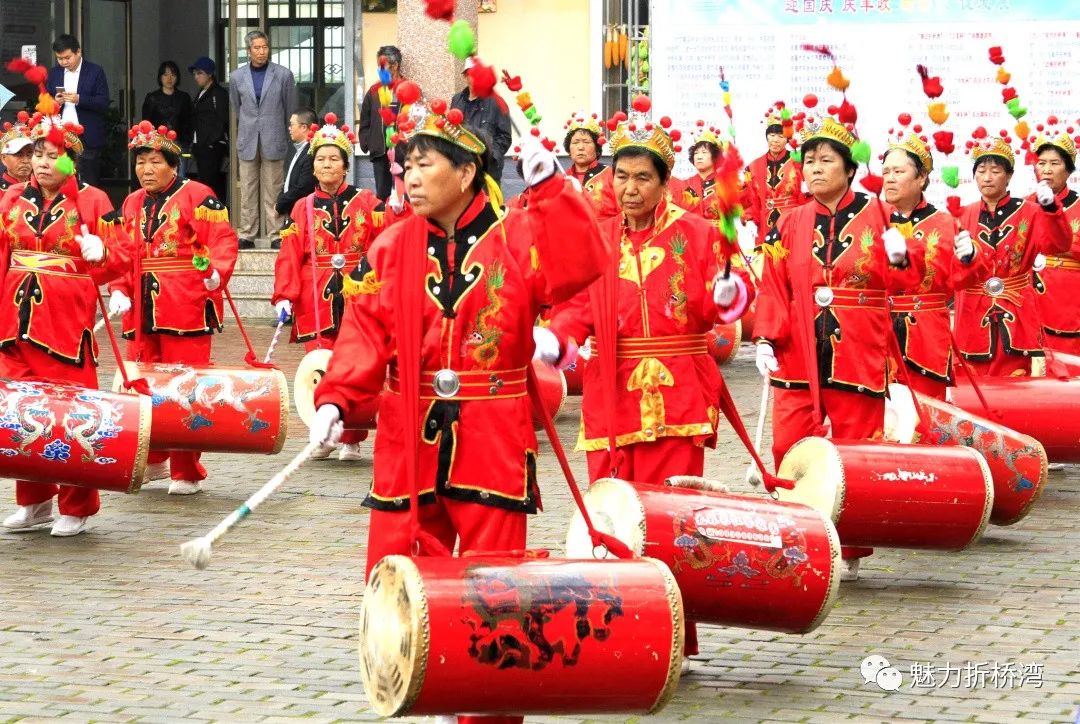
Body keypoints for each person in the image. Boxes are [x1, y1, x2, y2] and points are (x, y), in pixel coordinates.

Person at [308, 100, 607, 640]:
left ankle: (483, 703)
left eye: (426, 165)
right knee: (400, 568)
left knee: (496, 579)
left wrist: (555, 191)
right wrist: (336, 398)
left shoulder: (517, 236)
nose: (411, 178)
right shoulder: (392, 246)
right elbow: (364, 332)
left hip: (492, 427)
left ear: (467, 172)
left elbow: (583, 263)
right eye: (407, 165)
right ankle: (425, 677)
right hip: (407, 427)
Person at [545, 101, 751, 664]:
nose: (630, 188)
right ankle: (616, 635)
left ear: (666, 182)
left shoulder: (702, 233)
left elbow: (722, 303)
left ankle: (674, 640)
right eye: (622, 175)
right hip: (610, 394)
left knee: (671, 520)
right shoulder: (596, 237)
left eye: (643, 177)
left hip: (680, 390)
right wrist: (557, 339)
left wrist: (731, 299)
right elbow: (574, 308)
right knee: (610, 515)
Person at [753, 117, 920, 581]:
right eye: (809, 161)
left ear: (849, 169)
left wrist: (902, 254)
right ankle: (795, 534)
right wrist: (766, 337)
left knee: (853, 447)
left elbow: (905, 283)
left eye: (827, 161)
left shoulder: (880, 214)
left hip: (858, 345)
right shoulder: (788, 221)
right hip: (798, 345)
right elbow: (773, 284)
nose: (815, 169)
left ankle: (850, 547)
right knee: (789, 444)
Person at [0, 115, 133, 536]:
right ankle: (34, 500)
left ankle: (77, 504)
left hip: (65, 320)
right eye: (37, 155)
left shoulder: (92, 201)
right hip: (15, 317)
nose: (41, 163)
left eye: (52, 156)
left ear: (71, 162)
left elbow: (124, 252)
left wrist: (104, 257)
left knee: (72, 411)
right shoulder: (12, 200)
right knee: (23, 409)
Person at [107, 122, 239, 495]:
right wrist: (119, 287)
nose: (145, 170)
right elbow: (122, 254)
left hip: (186, 303)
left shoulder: (198, 195)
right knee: (144, 384)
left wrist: (215, 273)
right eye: (140, 163)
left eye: (154, 162)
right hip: (142, 307)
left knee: (184, 386)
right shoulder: (132, 203)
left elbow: (221, 242)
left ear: (173, 164)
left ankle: (186, 469)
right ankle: (153, 459)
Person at [272, 114, 386, 461]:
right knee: (320, 365)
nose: (326, 164)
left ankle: (352, 436)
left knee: (358, 364)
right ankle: (323, 432)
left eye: (333, 158)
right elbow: (290, 256)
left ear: (345, 165)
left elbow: (384, 245)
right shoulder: (302, 207)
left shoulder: (368, 201)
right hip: (315, 294)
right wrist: (284, 296)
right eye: (320, 158)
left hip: (358, 291)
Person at [954, 130, 1069, 376]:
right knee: (971, 386)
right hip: (972, 313)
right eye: (981, 171)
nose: (987, 177)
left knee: (1015, 384)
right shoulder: (962, 215)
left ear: (1009, 176)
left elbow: (1058, 245)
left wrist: (1051, 209)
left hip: (1016, 312)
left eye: (995, 171)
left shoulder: (1032, 212)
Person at [881, 133, 986, 400]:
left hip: (926, 337)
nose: (889, 178)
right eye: (886, 171)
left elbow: (967, 279)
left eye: (898, 171)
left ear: (922, 178)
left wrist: (971, 257)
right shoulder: (871, 220)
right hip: (876, 333)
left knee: (927, 415)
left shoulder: (945, 223)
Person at [229, 30, 297, 249]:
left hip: (274, 135)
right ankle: (247, 233)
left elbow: (291, 110)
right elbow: (237, 109)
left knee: (273, 187)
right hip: (248, 137)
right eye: (257, 48)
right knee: (247, 188)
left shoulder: (283, 75)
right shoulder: (236, 77)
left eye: (265, 47)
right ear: (248, 51)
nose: (261, 52)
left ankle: (275, 232)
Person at [1029, 128, 1080, 354]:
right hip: (1029, 298)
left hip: (1069, 301)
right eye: (1041, 163)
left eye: (1055, 163)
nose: (1046, 170)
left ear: (1068, 170)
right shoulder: (1023, 206)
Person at [46, 34, 110, 186]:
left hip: (87, 135)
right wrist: (55, 102)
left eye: (67, 57)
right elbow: (45, 102)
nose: (64, 62)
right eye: (60, 59)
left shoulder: (95, 71)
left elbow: (103, 102)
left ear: (78, 52)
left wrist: (79, 99)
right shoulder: (54, 73)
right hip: (61, 135)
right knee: (61, 181)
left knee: (90, 182)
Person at [742, 104, 808, 247]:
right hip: (764, 224)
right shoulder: (753, 166)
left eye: (781, 136)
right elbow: (750, 199)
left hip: (793, 220)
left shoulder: (799, 162)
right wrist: (749, 220)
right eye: (772, 135)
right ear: (766, 136)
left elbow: (807, 195)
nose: (775, 140)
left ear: (788, 139)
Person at [451, 58, 512, 183]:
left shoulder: (497, 102)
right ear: (465, 77)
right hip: (460, 169)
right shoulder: (456, 100)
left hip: (487, 172)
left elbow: (505, 137)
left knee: (487, 203)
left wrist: (490, 157)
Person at [358, 45, 404, 202]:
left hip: (403, 151)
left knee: (403, 193)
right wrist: (367, 143)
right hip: (380, 152)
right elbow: (365, 119)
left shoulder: (409, 88)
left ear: (395, 66)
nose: (380, 70)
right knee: (382, 195)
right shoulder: (374, 90)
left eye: (382, 66)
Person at [188, 57, 229, 205]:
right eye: (194, 74)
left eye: (199, 73)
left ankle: (215, 213)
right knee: (204, 182)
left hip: (211, 146)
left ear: (209, 74)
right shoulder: (201, 92)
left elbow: (222, 119)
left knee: (211, 183)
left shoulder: (218, 93)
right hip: (201, 144)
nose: (196, 77)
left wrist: (211, 142)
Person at [563, 112, 618, 220]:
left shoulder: (612, 176)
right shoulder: (563, 179)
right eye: (575, 142)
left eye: (586, 142)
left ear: (597, 148)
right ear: (569, 149)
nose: (580, 147)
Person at [671, 125, 725, 225]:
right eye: (696, 153)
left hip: (720, 236)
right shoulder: (685, 184)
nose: (699, 156)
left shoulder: (725, 183)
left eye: (704, 152)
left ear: (715, 157)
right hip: (694, 235)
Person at [274, 108, 317, 227]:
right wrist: (280, 201)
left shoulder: (311, 152)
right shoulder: (298, 150)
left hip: (303, 215)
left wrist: (281, 204)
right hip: (292, 212)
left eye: (292, 124)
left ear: (304, 127)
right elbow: (289, 182)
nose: (289, 128)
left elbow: (303, 186)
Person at [141, 61, 193, 146]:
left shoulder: (183, 97)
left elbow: (189, 123)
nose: (169, 79)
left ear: (177, 77)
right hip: (157, 144)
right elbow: (146, 124)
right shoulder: (152, 98)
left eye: (173, 75)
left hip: (179, 144)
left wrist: (186, 142)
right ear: (160, 77)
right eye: (165, 75)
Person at [0, 115, 33, 191]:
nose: (25, 161)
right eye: (19, 154)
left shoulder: (43, 190)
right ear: (4, 158)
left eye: (30, 155)